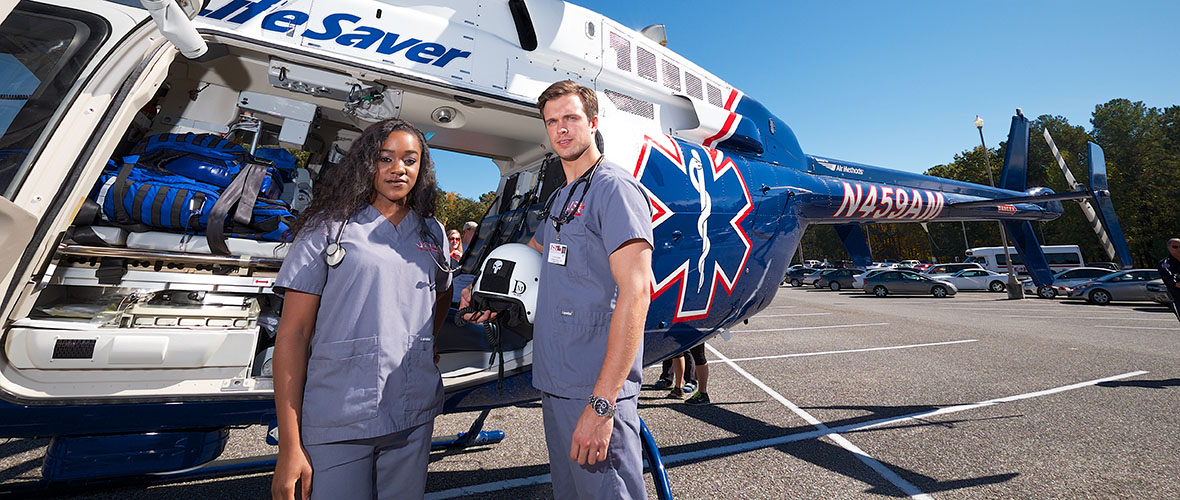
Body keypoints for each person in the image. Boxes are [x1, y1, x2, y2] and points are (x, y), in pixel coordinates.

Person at [462, 80, 653, 499]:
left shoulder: (614, 190)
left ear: (593, 122)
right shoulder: (561, 199)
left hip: (594, 387)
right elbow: (529, 254)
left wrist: (603, 405)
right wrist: (485, 293)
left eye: (571, 118)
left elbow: (638, 294)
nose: (562, 129)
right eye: (553, 121)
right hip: (557, 382)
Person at [270, 119, 452, 500]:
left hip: (411, 414)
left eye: (410, 160)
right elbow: (293, 335)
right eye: (385, 158)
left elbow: (442, 293)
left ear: (421, 169)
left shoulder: (431, 231)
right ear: (366, 163)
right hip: (339, 417)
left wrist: (425, 342)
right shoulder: (327, 229)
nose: (398, 169)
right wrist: (289, 445)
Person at [1158, 237, 1180, 322]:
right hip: (1177, 298)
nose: (1178, 249)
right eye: (1175, 247)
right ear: (1168, 248)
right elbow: (1175, 281)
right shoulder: (1165, 264)